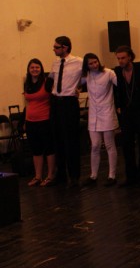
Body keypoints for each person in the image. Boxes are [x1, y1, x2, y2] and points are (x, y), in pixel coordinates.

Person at [114, 45, 140, 187]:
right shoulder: (117, 72)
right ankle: (130, 176)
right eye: (118, 58)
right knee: (127, 145)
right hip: (126, 112)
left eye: (123, 58)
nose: (120, 61)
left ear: (130, 57)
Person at [80, 53, 119, 187]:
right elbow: (75, 83)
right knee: (95, 145)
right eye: (91, 63)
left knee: (109, 144)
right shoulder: (87, 76)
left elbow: (120, 84)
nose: (94, 65)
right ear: (87, 66)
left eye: (95, 62)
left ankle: (112, 175)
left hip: (107, 112)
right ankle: (93, 175)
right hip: (93, 115)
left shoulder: (109, 73)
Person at [50, 36, 83, 187]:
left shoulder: (79, 62)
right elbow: (52, 80)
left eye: (56, 47)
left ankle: (74, 175)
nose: (54, 50)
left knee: (71, 139)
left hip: (69, 102)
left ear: (65, 48)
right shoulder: (56, 63)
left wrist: (80, 88)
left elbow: (88, 77)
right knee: (57, 138)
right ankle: (61, 174)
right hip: (56, 102)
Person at [23, 59, 56, 187]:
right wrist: (25, 120)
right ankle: (38, 176)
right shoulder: (27, 83)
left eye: (37, 67)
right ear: (28, 69)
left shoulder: (47, 82)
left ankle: (50, 176)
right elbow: (27, 103)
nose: (35, 69)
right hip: (31, 122)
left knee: (49, 148)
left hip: (45, 120)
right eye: (32, 67)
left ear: (41, 69)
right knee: (36, 150)